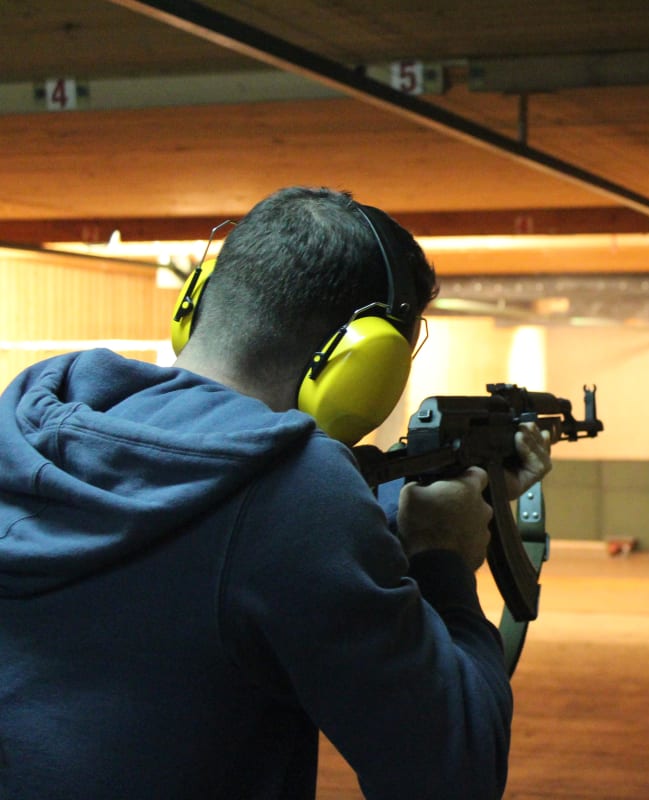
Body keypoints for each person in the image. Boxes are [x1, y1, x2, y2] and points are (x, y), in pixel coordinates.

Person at [0, 186, 549, 799]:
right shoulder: (293, 496)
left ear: (196, 301)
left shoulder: (30, 428)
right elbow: (451, 774)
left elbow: (202, 557)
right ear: (368, 361)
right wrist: (442, 560)